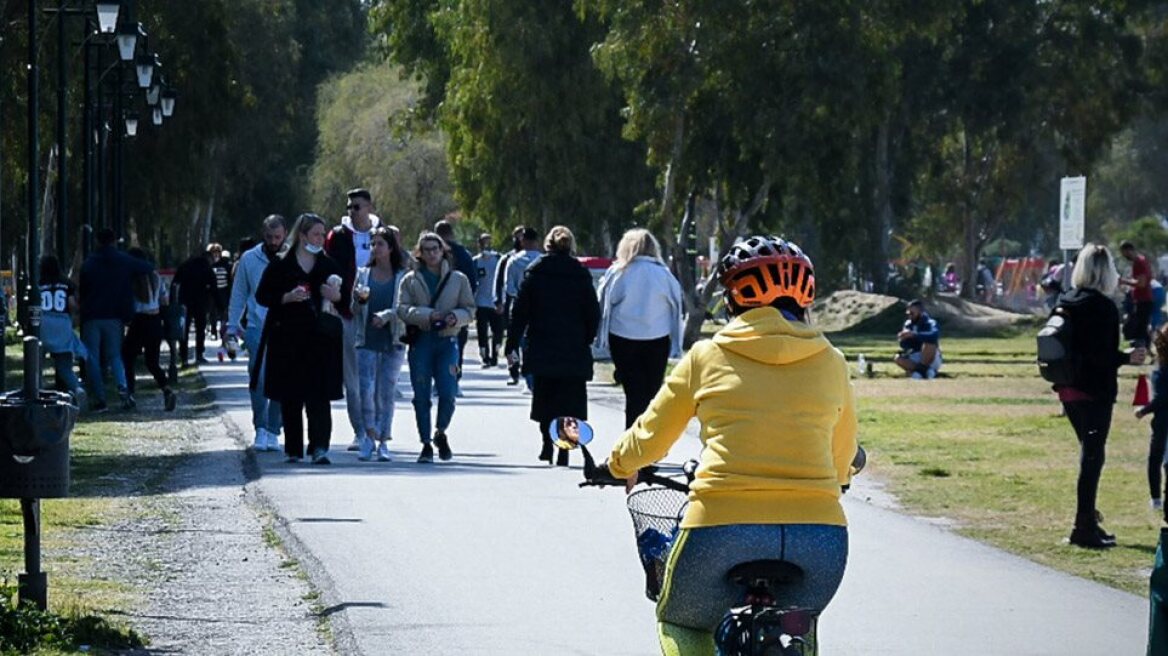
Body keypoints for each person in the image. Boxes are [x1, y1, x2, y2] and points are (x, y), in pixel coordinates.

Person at [591, 235, 857, 654]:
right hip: (818, 534)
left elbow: (651, 437)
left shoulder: (706, 356)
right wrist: (837, 479)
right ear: (805, 299)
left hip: (721, 525)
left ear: (732, 300)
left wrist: (617, 465)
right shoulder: (832, 362)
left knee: (682, 620)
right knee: (798, 629)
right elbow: (842, 458)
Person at [1055, 244, 1146, 548]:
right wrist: (1128, 358)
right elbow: (1102, 355)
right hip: (1094, 390)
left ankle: (1089, 519)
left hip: (1067, 388)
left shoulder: (1066, 299)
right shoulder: (1103, 307)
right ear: (1106, 271)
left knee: (1090, 451)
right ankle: (1083, 527)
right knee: (1092, 457)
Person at [505, 226, 600, 466]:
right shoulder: (580, 274)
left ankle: (547, 443)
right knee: (570, 400)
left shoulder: (536, 272)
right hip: (573, 346)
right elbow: (593, 313)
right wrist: (587, 338)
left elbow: (520, 312)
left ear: (547, 245)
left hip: (542, 343)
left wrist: (512, 344)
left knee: (545, 398)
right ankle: (564, 448)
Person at [255, 213, 345, 465]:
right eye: (315, 233)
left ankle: (320, 448)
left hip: (321, 339)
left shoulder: (327, 264)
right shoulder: (281, 264)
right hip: (287, 338)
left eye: (322, 234)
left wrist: (335, 295)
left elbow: (347, 297)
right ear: (302, 235)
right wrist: (286, 297)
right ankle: (293, 449)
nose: (320, 238)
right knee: (291, 395)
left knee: (319, 395)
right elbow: (263, 296)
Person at [396, 232, 474, 463]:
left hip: (448, 340)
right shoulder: (410, 279)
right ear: (419, 252)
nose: (432, 253)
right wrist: (429, 315)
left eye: (436, 249)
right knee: (421, 395)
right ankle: (426, 443)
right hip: (421, 341)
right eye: (427, 249)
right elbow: (402, 309)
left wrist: (453, 317)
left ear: (443, 251)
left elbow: (469, 309)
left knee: (448, 392)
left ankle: (441, 431)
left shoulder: (458, 279)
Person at [595, 228, 683, 428]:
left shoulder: (619, 272)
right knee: (651, 394)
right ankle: (646, 441)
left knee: (633, 392)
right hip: (657, 339)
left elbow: (605, 303)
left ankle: (632, 440)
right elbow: (676, 307)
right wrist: (677, 342)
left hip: (622, 338)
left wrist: (601, 338)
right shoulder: (664, 274)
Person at [324, 188, 380, 452]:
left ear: (368, 207)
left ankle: (377, 428)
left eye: (357, 206)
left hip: (378, 314)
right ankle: (359, 431)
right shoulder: (337, 236)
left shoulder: (383, 234)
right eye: (349, 207)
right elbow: (328, 269)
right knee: (353, 377)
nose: (352, 211)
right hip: (347, 312)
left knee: (377, 376)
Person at [228, 214, 286, 452]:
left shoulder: (292, 257)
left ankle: (274, 428)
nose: (274, 241)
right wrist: (232, 325)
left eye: (278, 237)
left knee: (281, 379)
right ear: (264, 235)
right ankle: (260, 427)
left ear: (284, 235)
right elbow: (239, 293)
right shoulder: (249, 259)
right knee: (258, 377)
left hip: (285, 327)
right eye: (270, 237)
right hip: (256, 326)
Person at [79, 227, 154, 412]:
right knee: (115, 356)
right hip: (115, 316)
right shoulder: (123, 260)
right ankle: (122, 386)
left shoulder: (89, 263)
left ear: (97, 241)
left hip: (91, 316)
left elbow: (82, 286)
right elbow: (147, 267)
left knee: (92, 357)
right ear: (114, 241)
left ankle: (100, 398)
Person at [352, 227, 408, 462]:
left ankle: (384, 440)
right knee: (366, 390)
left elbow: (406, 307)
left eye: (380, 244)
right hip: (367, 339)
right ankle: (368, 437)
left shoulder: (402, 276)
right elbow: (354, 309)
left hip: (393, 339)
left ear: (391, 248)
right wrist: (358, 301)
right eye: (372, 244)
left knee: (386, 391)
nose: (375, 248)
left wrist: (388, 315)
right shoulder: (363, 274)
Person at [121, 248, 177, 411]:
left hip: (139, 320)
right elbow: (164, 300)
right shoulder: (156, 276)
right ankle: (166, 389)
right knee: (152, 362)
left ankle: (130, 392)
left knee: (127, 356)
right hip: (155, 320)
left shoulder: (130, 279)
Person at [37, 255, 86, 406]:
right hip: (62, 324)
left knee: (37, 362)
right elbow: (72, 305)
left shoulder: (38, 284)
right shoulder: (66, 284)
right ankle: (77, 389)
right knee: (64, 366)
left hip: (44, 324)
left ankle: (36, 389)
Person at [435, 219, 476, 392]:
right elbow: (472, 282)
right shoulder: (464, 254)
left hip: (434, 308)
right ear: (451, 233)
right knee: (456, 347)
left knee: (434, 346)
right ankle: (453, 380)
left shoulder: (430, 253)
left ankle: (437, 382)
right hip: (457, 309)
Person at [503, 227, 542, 386]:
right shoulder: (542, 260)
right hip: (539, 308)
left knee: (515, 343)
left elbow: (509, 287)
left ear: (522, 241)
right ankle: (531, 377)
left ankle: (514, 369)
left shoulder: (514, 261)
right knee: (531, 344)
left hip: (519, 306)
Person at [1137, 323, 1168, 512]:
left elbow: (1162, 398)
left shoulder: (1161, 370)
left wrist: (1143, 410)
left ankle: (1156, 499)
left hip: (1164, 420)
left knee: (1156, 459)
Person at [492, 225, 526, 374]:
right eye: (518, 236)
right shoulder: (507, 259)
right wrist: (498, 301)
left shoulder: (535, 257)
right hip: (510, 304)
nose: (520, 239)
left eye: (522, 236)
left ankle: (527, 367)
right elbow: (499, 281)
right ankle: (514, 368)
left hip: (530, 305)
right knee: (513, 337)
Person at [174, 247, 216, 366]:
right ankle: (199, 354)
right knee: (200, 329)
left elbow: (175, 282)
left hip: (185, 301)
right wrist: (217, 304)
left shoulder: (185, 266)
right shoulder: (207, 268)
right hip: (201, 302)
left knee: (184, 330)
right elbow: (214, 287)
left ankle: (184, 357)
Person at [472, 233, 503, 367]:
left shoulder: (499, 258)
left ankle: (495, 354)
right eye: (483, 242)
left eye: (488, 241)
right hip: (481, 301)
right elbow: (473, 281)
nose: (486, 244)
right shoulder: (476, 261)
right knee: (482, 330)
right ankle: (485, 356)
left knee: (498, 330)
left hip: (495, 301)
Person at [893, 299, 942, 379]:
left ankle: (920, 371)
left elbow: (934, 335)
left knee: (929, 343)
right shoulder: (908, 324)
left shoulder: (931, 323)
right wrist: (903, 338)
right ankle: (925, 371)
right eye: (908, 314)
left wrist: (914, 335)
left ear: (920, 312)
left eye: (912, 313)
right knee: (898, 358)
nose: (910, 316)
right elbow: (905, 345)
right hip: (915, 355)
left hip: (931, 356)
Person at [1121, 241, 1154, 345]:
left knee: (1140, 328)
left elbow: (1142, 284)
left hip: (1143, 300)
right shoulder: (1140, 260)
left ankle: (1141, 351)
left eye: (1124, 253)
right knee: (1141, 327)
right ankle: (1146, 351)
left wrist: (1124, 281)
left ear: (1128, 250)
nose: (1124, 256)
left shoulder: (1139, 262)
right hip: (1142, 299)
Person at [208, 243, 231, 342]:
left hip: (223, 292)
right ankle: (213, 332)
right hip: (212, 293)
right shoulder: (209, 265)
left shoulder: (225, 264)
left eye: (218, 252)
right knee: (212, 313)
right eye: (214, 252)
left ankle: (223, 333)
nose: (216, 254)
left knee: (223, 314)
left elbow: (229, 279)